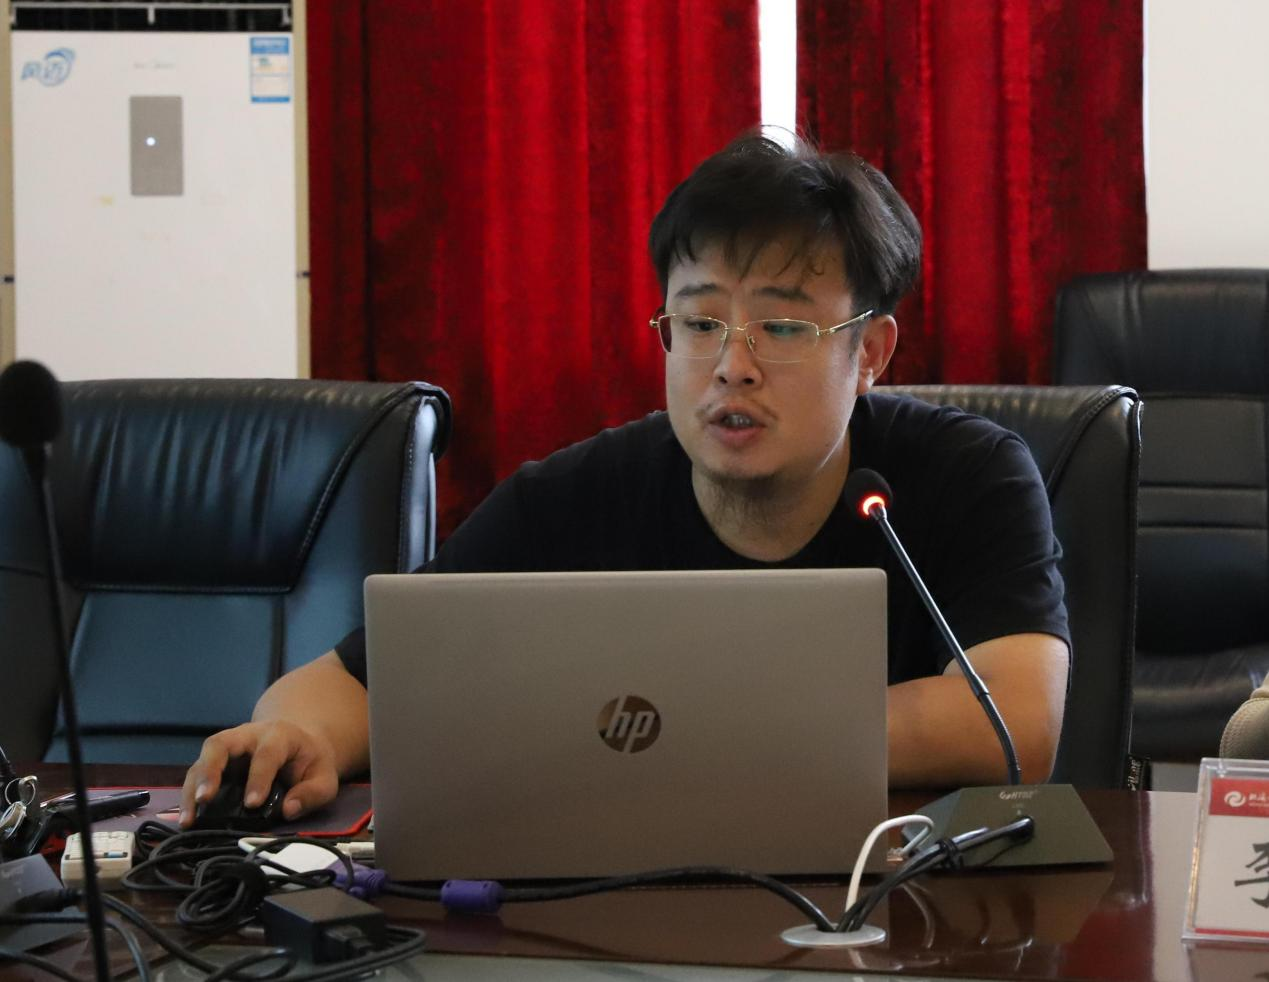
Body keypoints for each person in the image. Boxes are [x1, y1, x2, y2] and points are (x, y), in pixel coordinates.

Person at [180, 133, 1070, 826]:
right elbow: (358, 681)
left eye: (781, 328)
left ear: (869, 352)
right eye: (700, 324)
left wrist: (683, 733)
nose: (733, 366)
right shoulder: (571, 497)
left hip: (896, 906)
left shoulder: (968, 474)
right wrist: (294, 733)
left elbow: (1015, 723)